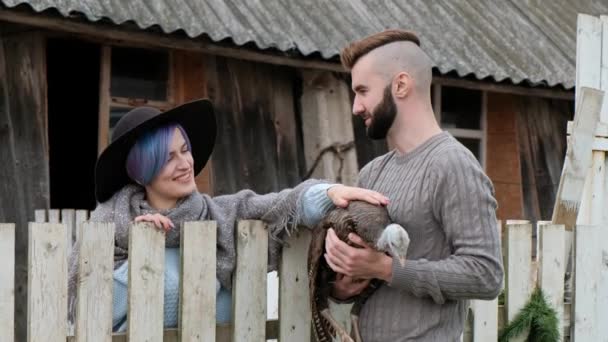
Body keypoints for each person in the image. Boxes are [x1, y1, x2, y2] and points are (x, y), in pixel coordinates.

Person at [67, 99, 388, 331]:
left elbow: (279, 206)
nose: (185, 163)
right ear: (141, 173)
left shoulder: (218, 215)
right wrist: (142, 254)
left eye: (185, 150)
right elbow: (89, 315)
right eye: (167, 158)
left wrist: (329, 193)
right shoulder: (107, 230)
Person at [323, 30, 504, 341]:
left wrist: (386, 268)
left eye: (363, 91)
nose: (356, 106)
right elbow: (368, 278)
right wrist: (344, 280)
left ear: (401, 85)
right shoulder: (372, 173)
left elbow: (485, 275)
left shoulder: (453, 165)